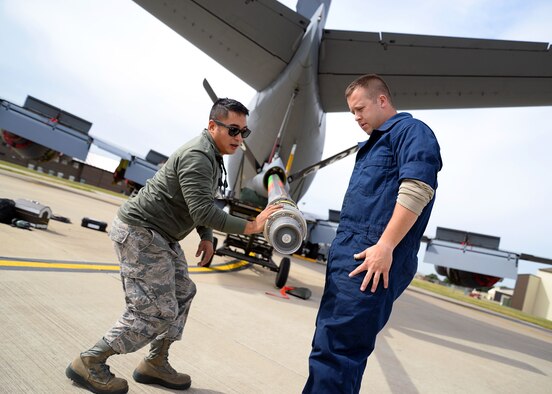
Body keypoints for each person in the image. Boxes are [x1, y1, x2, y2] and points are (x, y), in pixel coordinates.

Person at [66, 98, 282, 394]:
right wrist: (251, 226)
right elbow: (204, 210)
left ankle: (155, 362)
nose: (239, 138)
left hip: (162, 235)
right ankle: (90, 360)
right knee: (154, 312)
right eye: (233, 130)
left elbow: (202, 203)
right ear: (212, 126)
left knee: (183, 292)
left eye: (244, 132)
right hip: (140, 232)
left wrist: (206, 237)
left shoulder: (213, 156)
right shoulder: (198, 155)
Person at [303, 74, 442, 393]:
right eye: (352, 112)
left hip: (372, 265)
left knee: (339, 352)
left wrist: (385, 246)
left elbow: (418, 189)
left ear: (382, 100)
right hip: (349, 263)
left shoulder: (411, 132)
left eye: (360, 108)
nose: (356, 117)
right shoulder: (374, 144)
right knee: (327, 347)